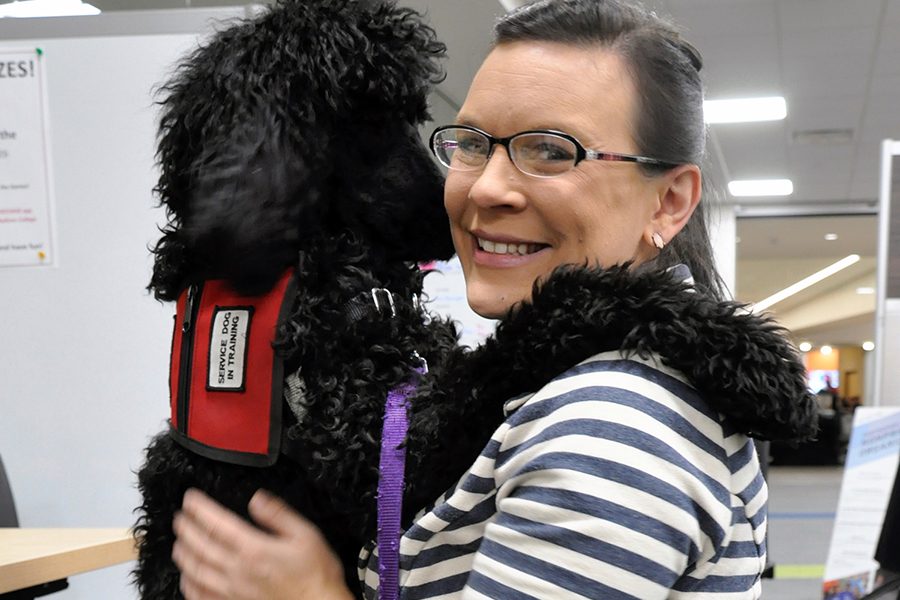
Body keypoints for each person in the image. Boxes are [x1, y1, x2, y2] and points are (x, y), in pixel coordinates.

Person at [170, 0, 817, 597]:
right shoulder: (584, 382)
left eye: (548, 150)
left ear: (669, 200)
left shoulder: (610, 424)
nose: (484, 189)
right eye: (473, 144)